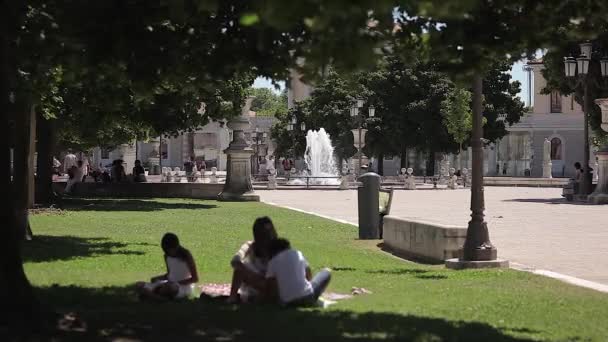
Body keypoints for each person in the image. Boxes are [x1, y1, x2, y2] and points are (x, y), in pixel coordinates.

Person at [265, 238, 331, 306]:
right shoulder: (297, 253)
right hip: (308, 297)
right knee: (326, 272)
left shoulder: (272, 262)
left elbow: (271, 286)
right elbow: (308, 274)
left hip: (288, 302)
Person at [228, 216, 278, 304]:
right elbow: (235, 261)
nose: (268, 236)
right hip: (256, 285)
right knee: (239, 270)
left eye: (270, 232)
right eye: (263, 233)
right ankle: (232, 298)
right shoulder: (249, 246)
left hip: (272, 286)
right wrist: (252, 274)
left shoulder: (278, 249)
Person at [136, 233, 199, 301]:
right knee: (138, 285)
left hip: (182, 287)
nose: (168, 252)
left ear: (176, 246)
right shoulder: (167, 256)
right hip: (168, 283)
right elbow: (170, 274)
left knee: (170, 288)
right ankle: (155, 296)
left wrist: (176, 283)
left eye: (170, 250)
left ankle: (156, 297)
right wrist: (158, 278)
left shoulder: (186, 255)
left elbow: (195, 279)